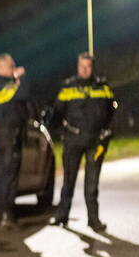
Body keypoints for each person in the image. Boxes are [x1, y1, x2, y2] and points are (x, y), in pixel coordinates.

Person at [50, 52, 116, 232]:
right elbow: (56, 113)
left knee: (92, 183)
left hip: (96, 142)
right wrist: (61, 132)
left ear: (92, 67)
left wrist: (107, 133)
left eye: (88, 66)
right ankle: (62, 215)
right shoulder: (68, 87)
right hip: (73, 139)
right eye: (82, 66)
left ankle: (93, 220)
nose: (85, 70)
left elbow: (112, 112)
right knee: (68, 181)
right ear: (77, 67)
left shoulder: (103, 87)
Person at [0, 53, 31, 230]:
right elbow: (25, 94)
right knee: (9, 177)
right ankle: (6, 215)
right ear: (2, 68)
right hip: (10, 137)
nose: (13, 69)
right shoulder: (7, 87)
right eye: (11, 66)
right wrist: (22, 76)